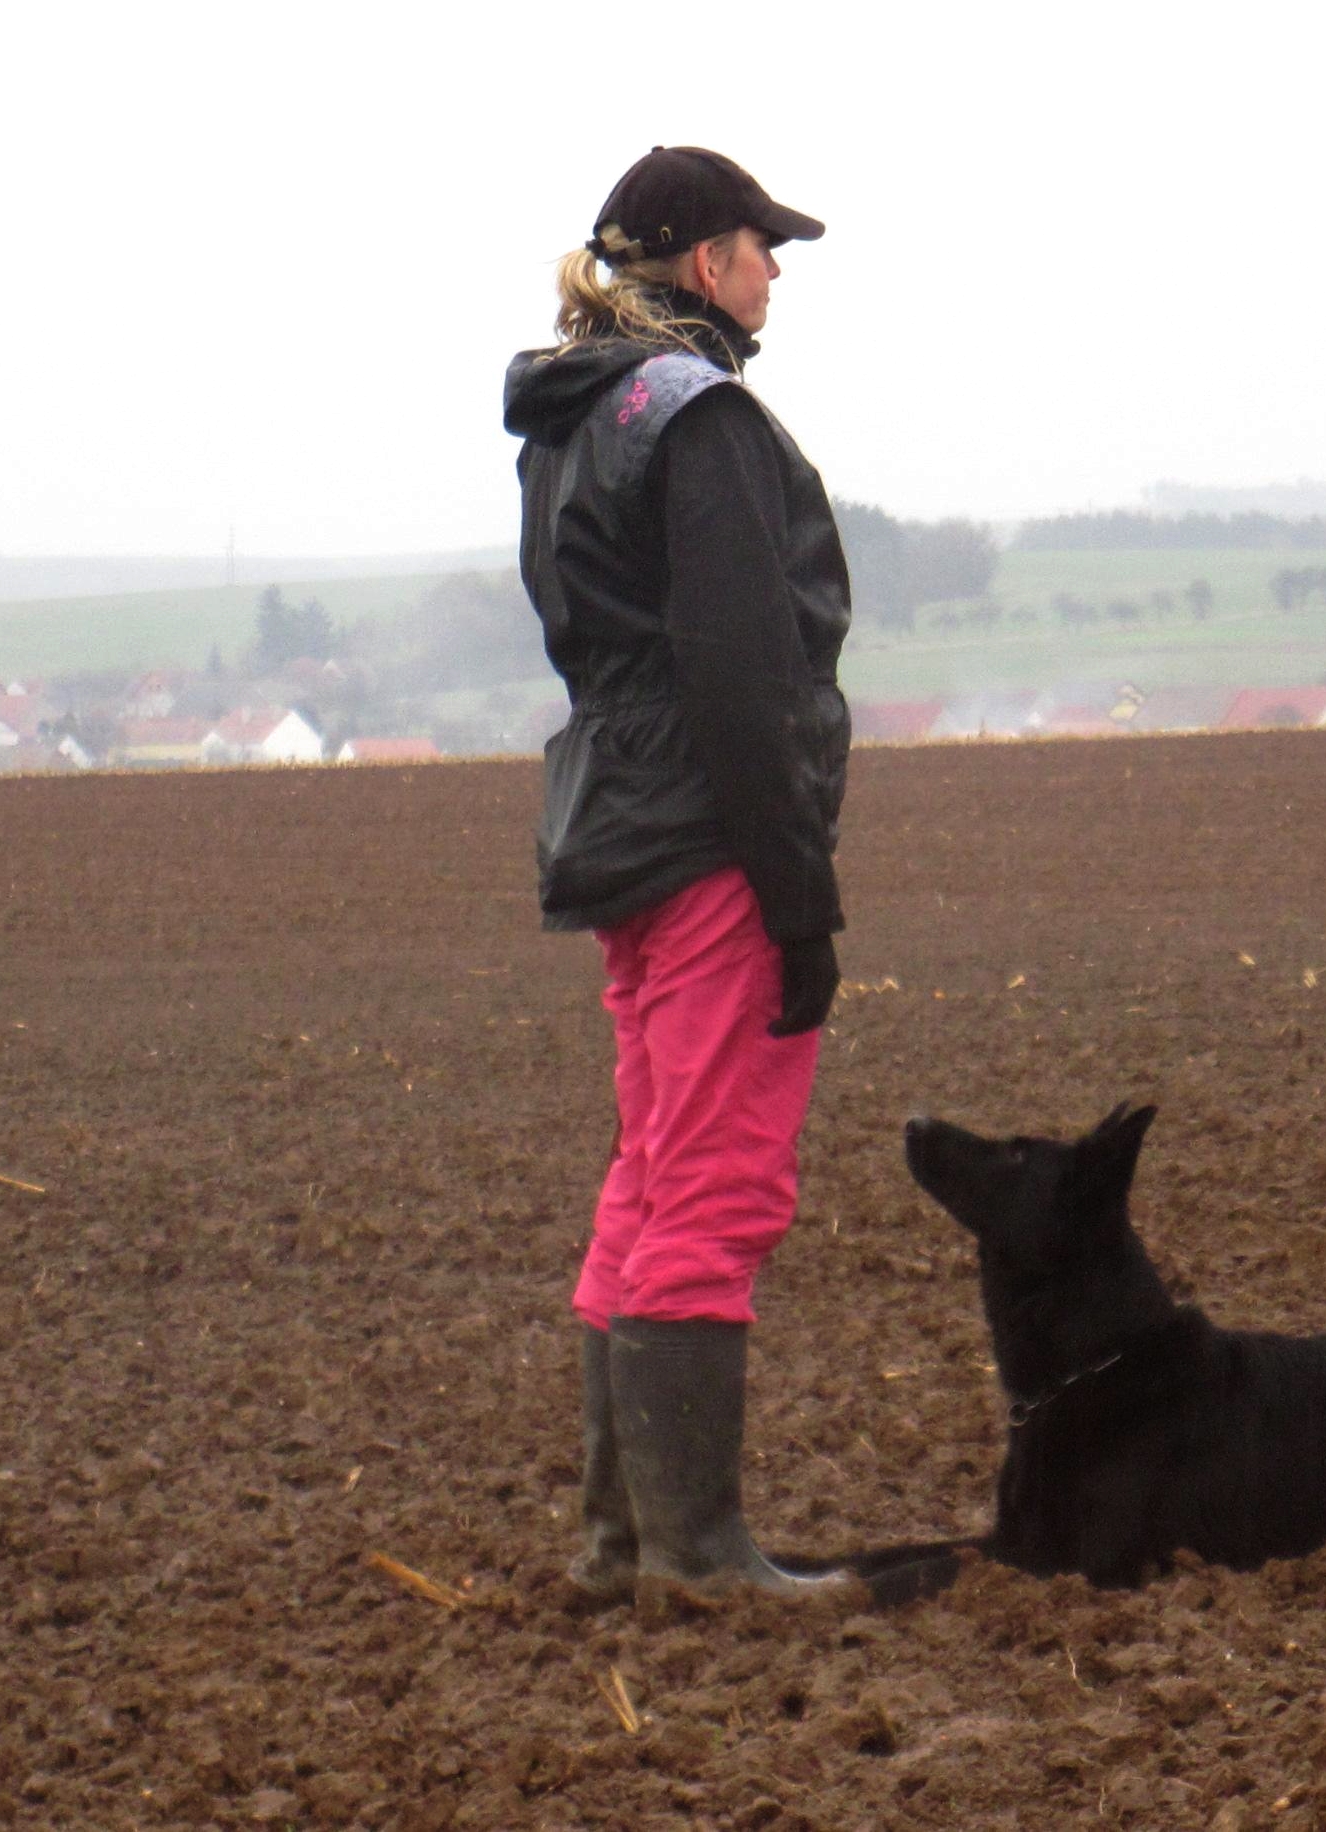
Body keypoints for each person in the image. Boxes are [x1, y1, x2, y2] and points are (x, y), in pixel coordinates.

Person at [504, 145, 853, 1601]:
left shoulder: (573, 416)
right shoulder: (701, 420)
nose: (775, 271)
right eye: (760, 246)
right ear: (705, 264)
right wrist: (797, 894)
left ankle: (615, 1547)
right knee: (714, 1181)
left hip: (618, 828)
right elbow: (737, 666)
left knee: (648, 1173)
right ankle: (699, 1555)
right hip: (711, 836)